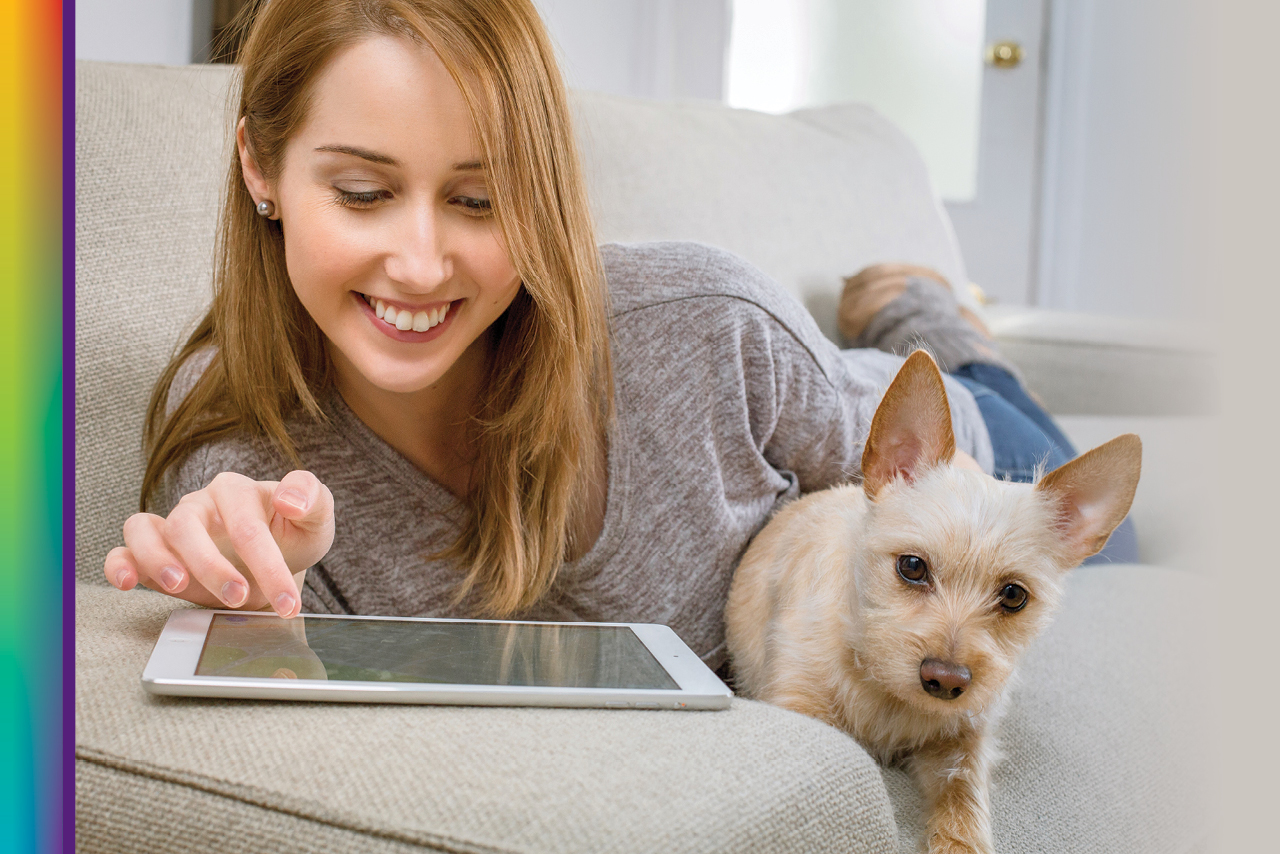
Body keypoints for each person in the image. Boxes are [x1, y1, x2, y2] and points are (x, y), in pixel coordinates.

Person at [102, 0, 1129, 673]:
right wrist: (254, 622)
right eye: (363, 192)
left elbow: (915, 470)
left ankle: (930, 320)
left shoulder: (707, 325)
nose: (419, 263)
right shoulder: (236, 483)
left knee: (1088, 495)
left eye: (477, 199)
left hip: (962, 454)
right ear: (261, 168)